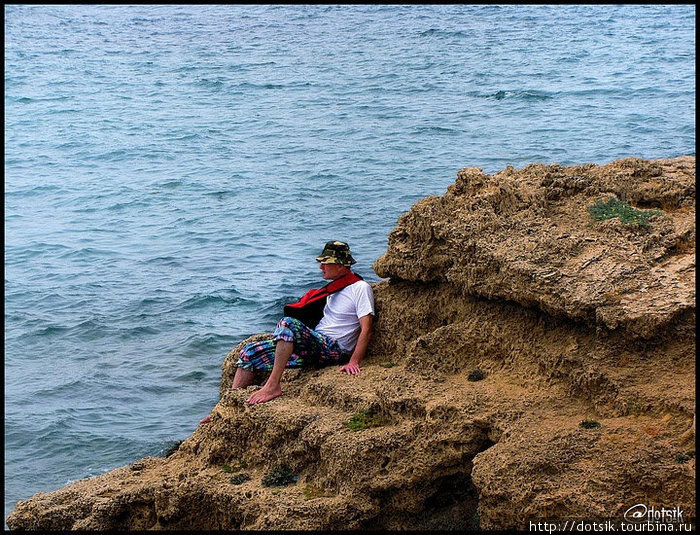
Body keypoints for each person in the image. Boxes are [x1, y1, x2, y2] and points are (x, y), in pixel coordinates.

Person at [201, 241, 374, 419]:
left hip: (334, 349)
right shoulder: (335, 289)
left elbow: (366, 328)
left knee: (287, 323)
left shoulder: (360, 288)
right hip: (317, 344)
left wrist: (354, 361)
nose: (321, 267)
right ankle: (223, 409)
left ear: (340, 265)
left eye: (325, 262)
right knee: (249, 352)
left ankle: (272, 386)